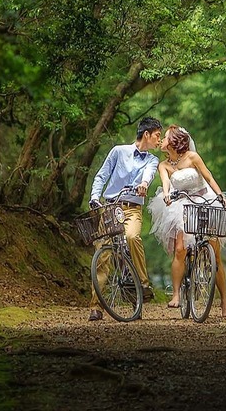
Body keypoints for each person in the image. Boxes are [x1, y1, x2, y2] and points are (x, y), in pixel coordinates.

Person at [148, 124, 226, 317]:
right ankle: (176, 295)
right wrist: (166, 194)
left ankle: (224, 300)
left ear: (174, 141)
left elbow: (209, 177)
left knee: (215, 255)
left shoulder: (193, 157)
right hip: (182, 204)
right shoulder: (163, 165)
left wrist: (220, 195)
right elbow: (165, 182)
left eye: (165, 137)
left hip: (205, 199)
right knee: (180, 249)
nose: (162, 141)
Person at [87, 116, 162, 321]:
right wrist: (95, 197)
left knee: (131, 237)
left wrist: (144, 184)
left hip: (132, 209)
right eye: (157, 135)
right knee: (102, 255)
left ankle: (143, 284)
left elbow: (149, 174)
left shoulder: (152, 160)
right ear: (146, 134)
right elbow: (101, 176)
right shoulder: (118, 151)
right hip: (111, 208)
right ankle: (96, 307)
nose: (159, 140)